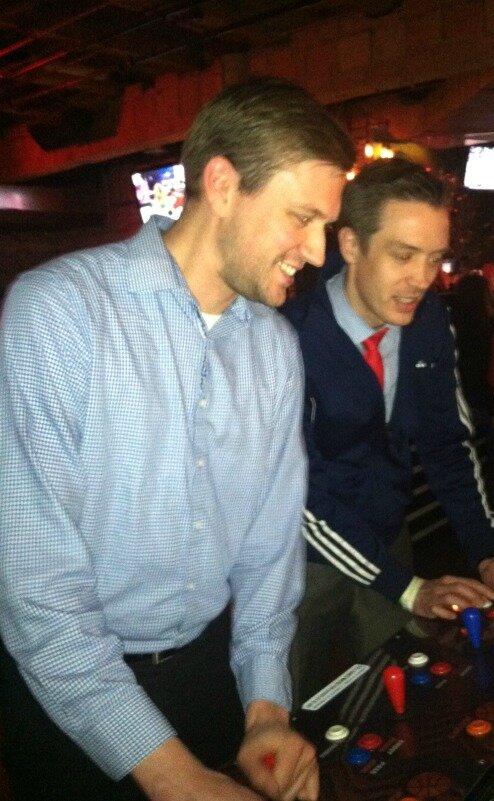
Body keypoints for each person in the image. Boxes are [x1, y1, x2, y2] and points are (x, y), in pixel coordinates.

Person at [0, 76, 355, 801]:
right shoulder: (58, 313)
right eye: (301, 217)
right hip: (63, 695)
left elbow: (268, 555)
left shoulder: (275, 350)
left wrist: (264, 710)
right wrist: (179, 780)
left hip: (208, 673)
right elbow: (38, 591)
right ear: (222, 182)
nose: (317, 252)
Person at [281, 159, 494, 705]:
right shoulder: (289, 339)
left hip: (389, 538)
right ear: (351, 245)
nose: (423, 279)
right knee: (293, 708)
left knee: (399, 696)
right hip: (294, 562)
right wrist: (407, 587)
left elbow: (447, 448)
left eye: (435, 259)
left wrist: (488, 553)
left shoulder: (429, 323)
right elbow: (295, 495)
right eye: (403, 256)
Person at [449, 273, 494, 521]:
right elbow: (482, 374)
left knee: (476, 465)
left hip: (467, 406)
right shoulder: (487, 329)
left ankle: (483, 516)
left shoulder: (453, 329)